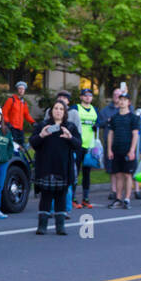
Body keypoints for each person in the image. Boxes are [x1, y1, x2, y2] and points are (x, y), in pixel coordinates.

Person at [31, 99, 84, 235]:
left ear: (65, 112)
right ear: (51, 111)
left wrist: (70, 137)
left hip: (63, 168)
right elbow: (33, 143)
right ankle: (42, 226)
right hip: (46, 167)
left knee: (61, 197)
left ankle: (60, 226)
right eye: (56, 108)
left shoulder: (70, 127)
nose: (58, 111)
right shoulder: (43, 125)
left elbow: (78, 144)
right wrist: (42, 135)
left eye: (61, 109)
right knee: (45, 198)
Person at [105, 93, 139, 209]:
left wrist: (132, 151)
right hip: (116, 150)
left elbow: (135, 135)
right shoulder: (114, 118)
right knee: (118, 175)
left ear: (129, 102)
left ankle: (127, 199)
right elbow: (110, 134)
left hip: (127, 150)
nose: (122, 102)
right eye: (120, 99)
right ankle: (118, 199)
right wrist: (109, 150)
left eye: (125, 100)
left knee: (128, 175)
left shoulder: (133, 118)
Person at [74, 87, 99, 208]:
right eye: (85, 95)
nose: (88, 97)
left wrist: (97, 126)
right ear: (81, 97)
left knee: (86, 173)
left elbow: (99, 122)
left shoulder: (95, 109)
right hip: (78, 144)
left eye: (90, 95)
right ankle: (72, 197)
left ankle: (86, 198)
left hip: (90, 146)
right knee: (74, 172)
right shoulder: (76, 108)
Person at [1, 81, 35, 148]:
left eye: (23, 89)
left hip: (20, 129)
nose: (21, 90)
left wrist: (33, 122)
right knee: (13, 146)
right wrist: (7, 122)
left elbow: (26, 114)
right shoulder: (11, 100)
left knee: (22, 146)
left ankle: (20, 158)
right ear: (17, 90)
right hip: (12, 128)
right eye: (20, 88)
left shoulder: (23, 103)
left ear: (24, 90)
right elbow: (4, 112)